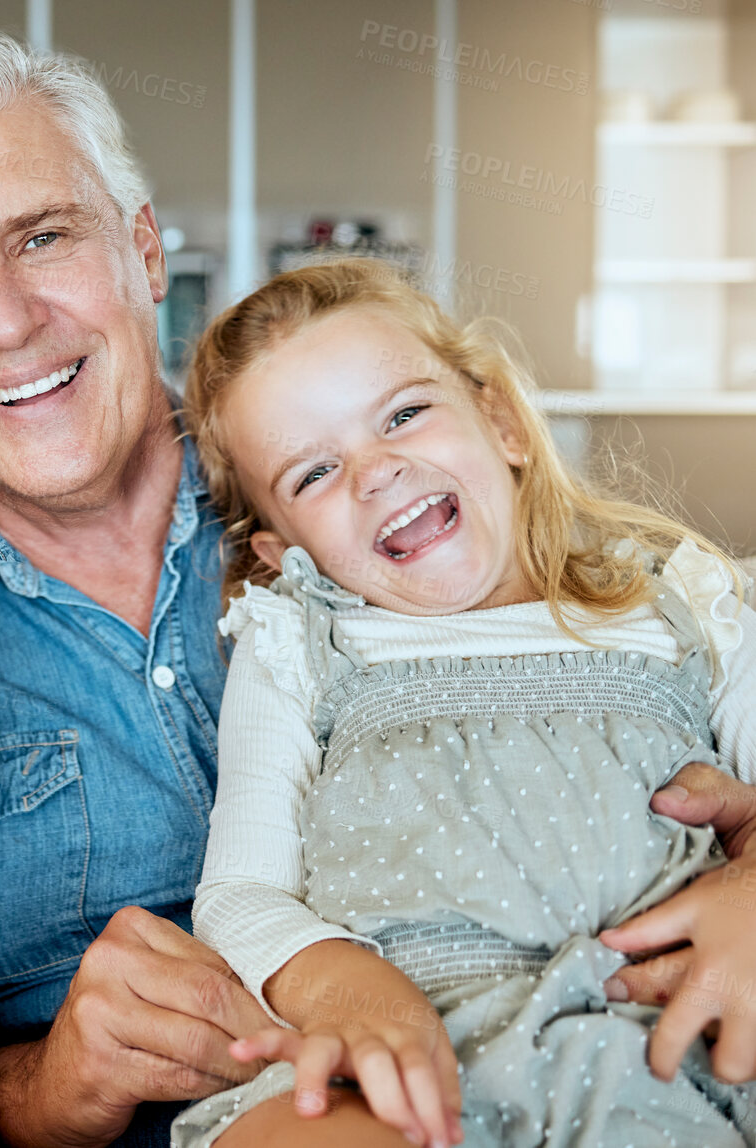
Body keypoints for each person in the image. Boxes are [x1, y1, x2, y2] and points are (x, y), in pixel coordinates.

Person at [0, 29, 756, 1148]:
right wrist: (48, 1087)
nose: (8, 318)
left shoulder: (384, 513)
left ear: (144, 253)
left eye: (43, 236)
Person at [167, 258, 756, 1148]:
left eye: (404, 414)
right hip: (392, 1069)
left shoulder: (685, 606)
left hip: (661, 1039)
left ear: (503, 421)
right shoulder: (296, 644)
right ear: (278, 551)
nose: (376, 471)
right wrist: (342, 989)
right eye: (313, 473)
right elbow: (240, 893)